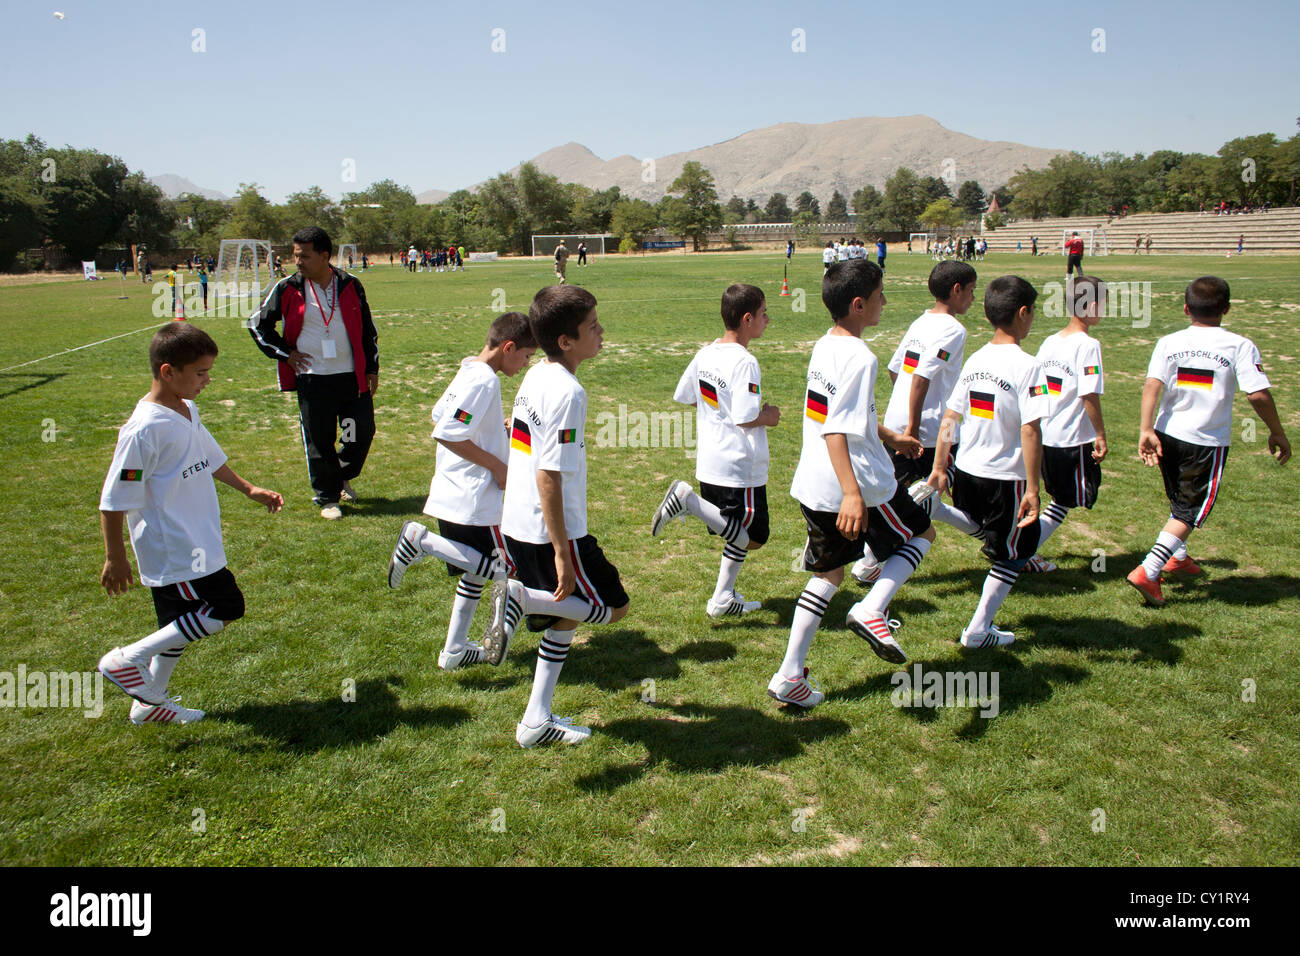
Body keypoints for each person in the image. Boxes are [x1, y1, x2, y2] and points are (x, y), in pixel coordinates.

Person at [96, 323, 282, 724]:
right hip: (174, 546)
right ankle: (125, 660)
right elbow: (113, 501)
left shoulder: (186, 410)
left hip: (200, 537)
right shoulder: (143, 430)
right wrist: (116, 558)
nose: (207, 380)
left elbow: (208, 457)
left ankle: (149, 706)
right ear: (168, 371)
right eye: (199, 373)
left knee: (174, 628)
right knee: (226, 606)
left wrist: (249, 489)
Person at [771, 259, 934, 707]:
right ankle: (872, 608)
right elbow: (836, 430)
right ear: (859, 304)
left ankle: (789, 676)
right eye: (881, 294)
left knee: (829, 574)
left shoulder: (826, 345)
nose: (886, 301)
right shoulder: (862, 357)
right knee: (921, 534)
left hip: (812, 482)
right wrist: (851, 493)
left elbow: (842, 415)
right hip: (859, 484)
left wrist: (889, 435)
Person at [485, 285, 631, 747]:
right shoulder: (569, 392)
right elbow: (549, 475)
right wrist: (562, 550)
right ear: (565, 341)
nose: (601, 332)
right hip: (549, 528)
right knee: (613, 607)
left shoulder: (539, 373)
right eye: (592, 327)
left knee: (565, 617)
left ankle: (535, 720)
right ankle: (522, 600)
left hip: (518, 522)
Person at [387, 313, 538, 670]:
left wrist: (493, 428)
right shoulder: (486, 381)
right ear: (508, 347)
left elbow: (442, 413)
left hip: (452, 490)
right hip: (474, 495)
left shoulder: (470, 369)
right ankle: (421, 542)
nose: (527, 363)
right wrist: (497, 465)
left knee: (474, 571)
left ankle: (454, 650)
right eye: (527, 356)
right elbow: (447, 431)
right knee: (506, 570)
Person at [1128, 276, 1290, 605]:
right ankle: (1149, 569)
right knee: (1189, 511)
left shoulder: (1169, 341)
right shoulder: (1239, 345)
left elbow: (1151, 385)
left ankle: (1178, 557)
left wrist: (1146, 429)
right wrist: (1277, 430)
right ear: (1226, 309)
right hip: (1205, 440)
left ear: (1186, 308)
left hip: (1166, 432)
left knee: (1179, 499)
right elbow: (1257, 394)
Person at [925, 275, 1051, 648]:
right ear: (1024, 313)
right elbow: (1031, 431)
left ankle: (941, 511)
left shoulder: (977, 358)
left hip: (967, 468)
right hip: (1004, 476)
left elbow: (950, 416)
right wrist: (1031, 487)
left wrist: (939, 466)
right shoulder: (1030, 366)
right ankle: (978, 630)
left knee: (988, 531)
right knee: (1016, 552)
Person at [651, 284, 780, 617]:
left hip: (711, 460)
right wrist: (770, 415)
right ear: (747, 318)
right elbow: (746, 416)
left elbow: (686, 394)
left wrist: (716, 407)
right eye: (764, 313)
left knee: (735, 532)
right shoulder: (745, 361)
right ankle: (688, 502)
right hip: (740, 466)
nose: (768, 319)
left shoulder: (705, 353)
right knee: (754, 536)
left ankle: (722, 598)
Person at [858, 260, 983, 586]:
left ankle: (992, 538)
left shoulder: (921, 321)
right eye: (970, 291)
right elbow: (922, 378)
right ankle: (871, 560)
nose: (973, 298)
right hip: (931, 429)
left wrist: (903, 414)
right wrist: (914, 427)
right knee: (927, 488)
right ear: (956, 290)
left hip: (900, 420)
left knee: (894, 491)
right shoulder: (954, 330)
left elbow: (896, 369)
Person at [249, 226, 379, 520]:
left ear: (324, 256)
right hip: (312, 378)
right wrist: (286, 354)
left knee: (359, 433)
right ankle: (328, 497)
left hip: (351, 377)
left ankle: (342, 475)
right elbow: (257, 325)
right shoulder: (287, 287)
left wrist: (372, 367)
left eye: (304, 256)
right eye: (296, 255)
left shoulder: (350, 284)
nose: (298, 261)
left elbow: (368, 330)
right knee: (319, 439)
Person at [1022, 275, 1108, 572]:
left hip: (1044, 434)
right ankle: (1023, 552)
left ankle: (1022, 548)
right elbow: (1089, 394)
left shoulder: (1049, 341)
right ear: (1092, 305)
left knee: (1052, 497)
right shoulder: (1088, 345)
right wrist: (1100, 434)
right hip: (1071, 439)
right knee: (1065, 500)